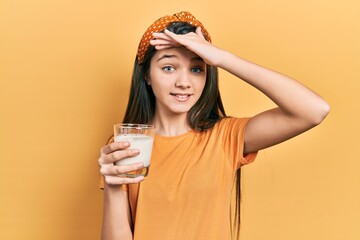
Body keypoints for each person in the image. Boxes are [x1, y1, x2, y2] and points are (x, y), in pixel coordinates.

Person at [98, 11, 330, 240]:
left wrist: (222, 58)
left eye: (197, 69)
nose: (184, 82)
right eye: (169, 67)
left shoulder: (225, 137)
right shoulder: (129, 144)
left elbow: (313, 110)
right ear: (147, 75)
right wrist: (112, 185)